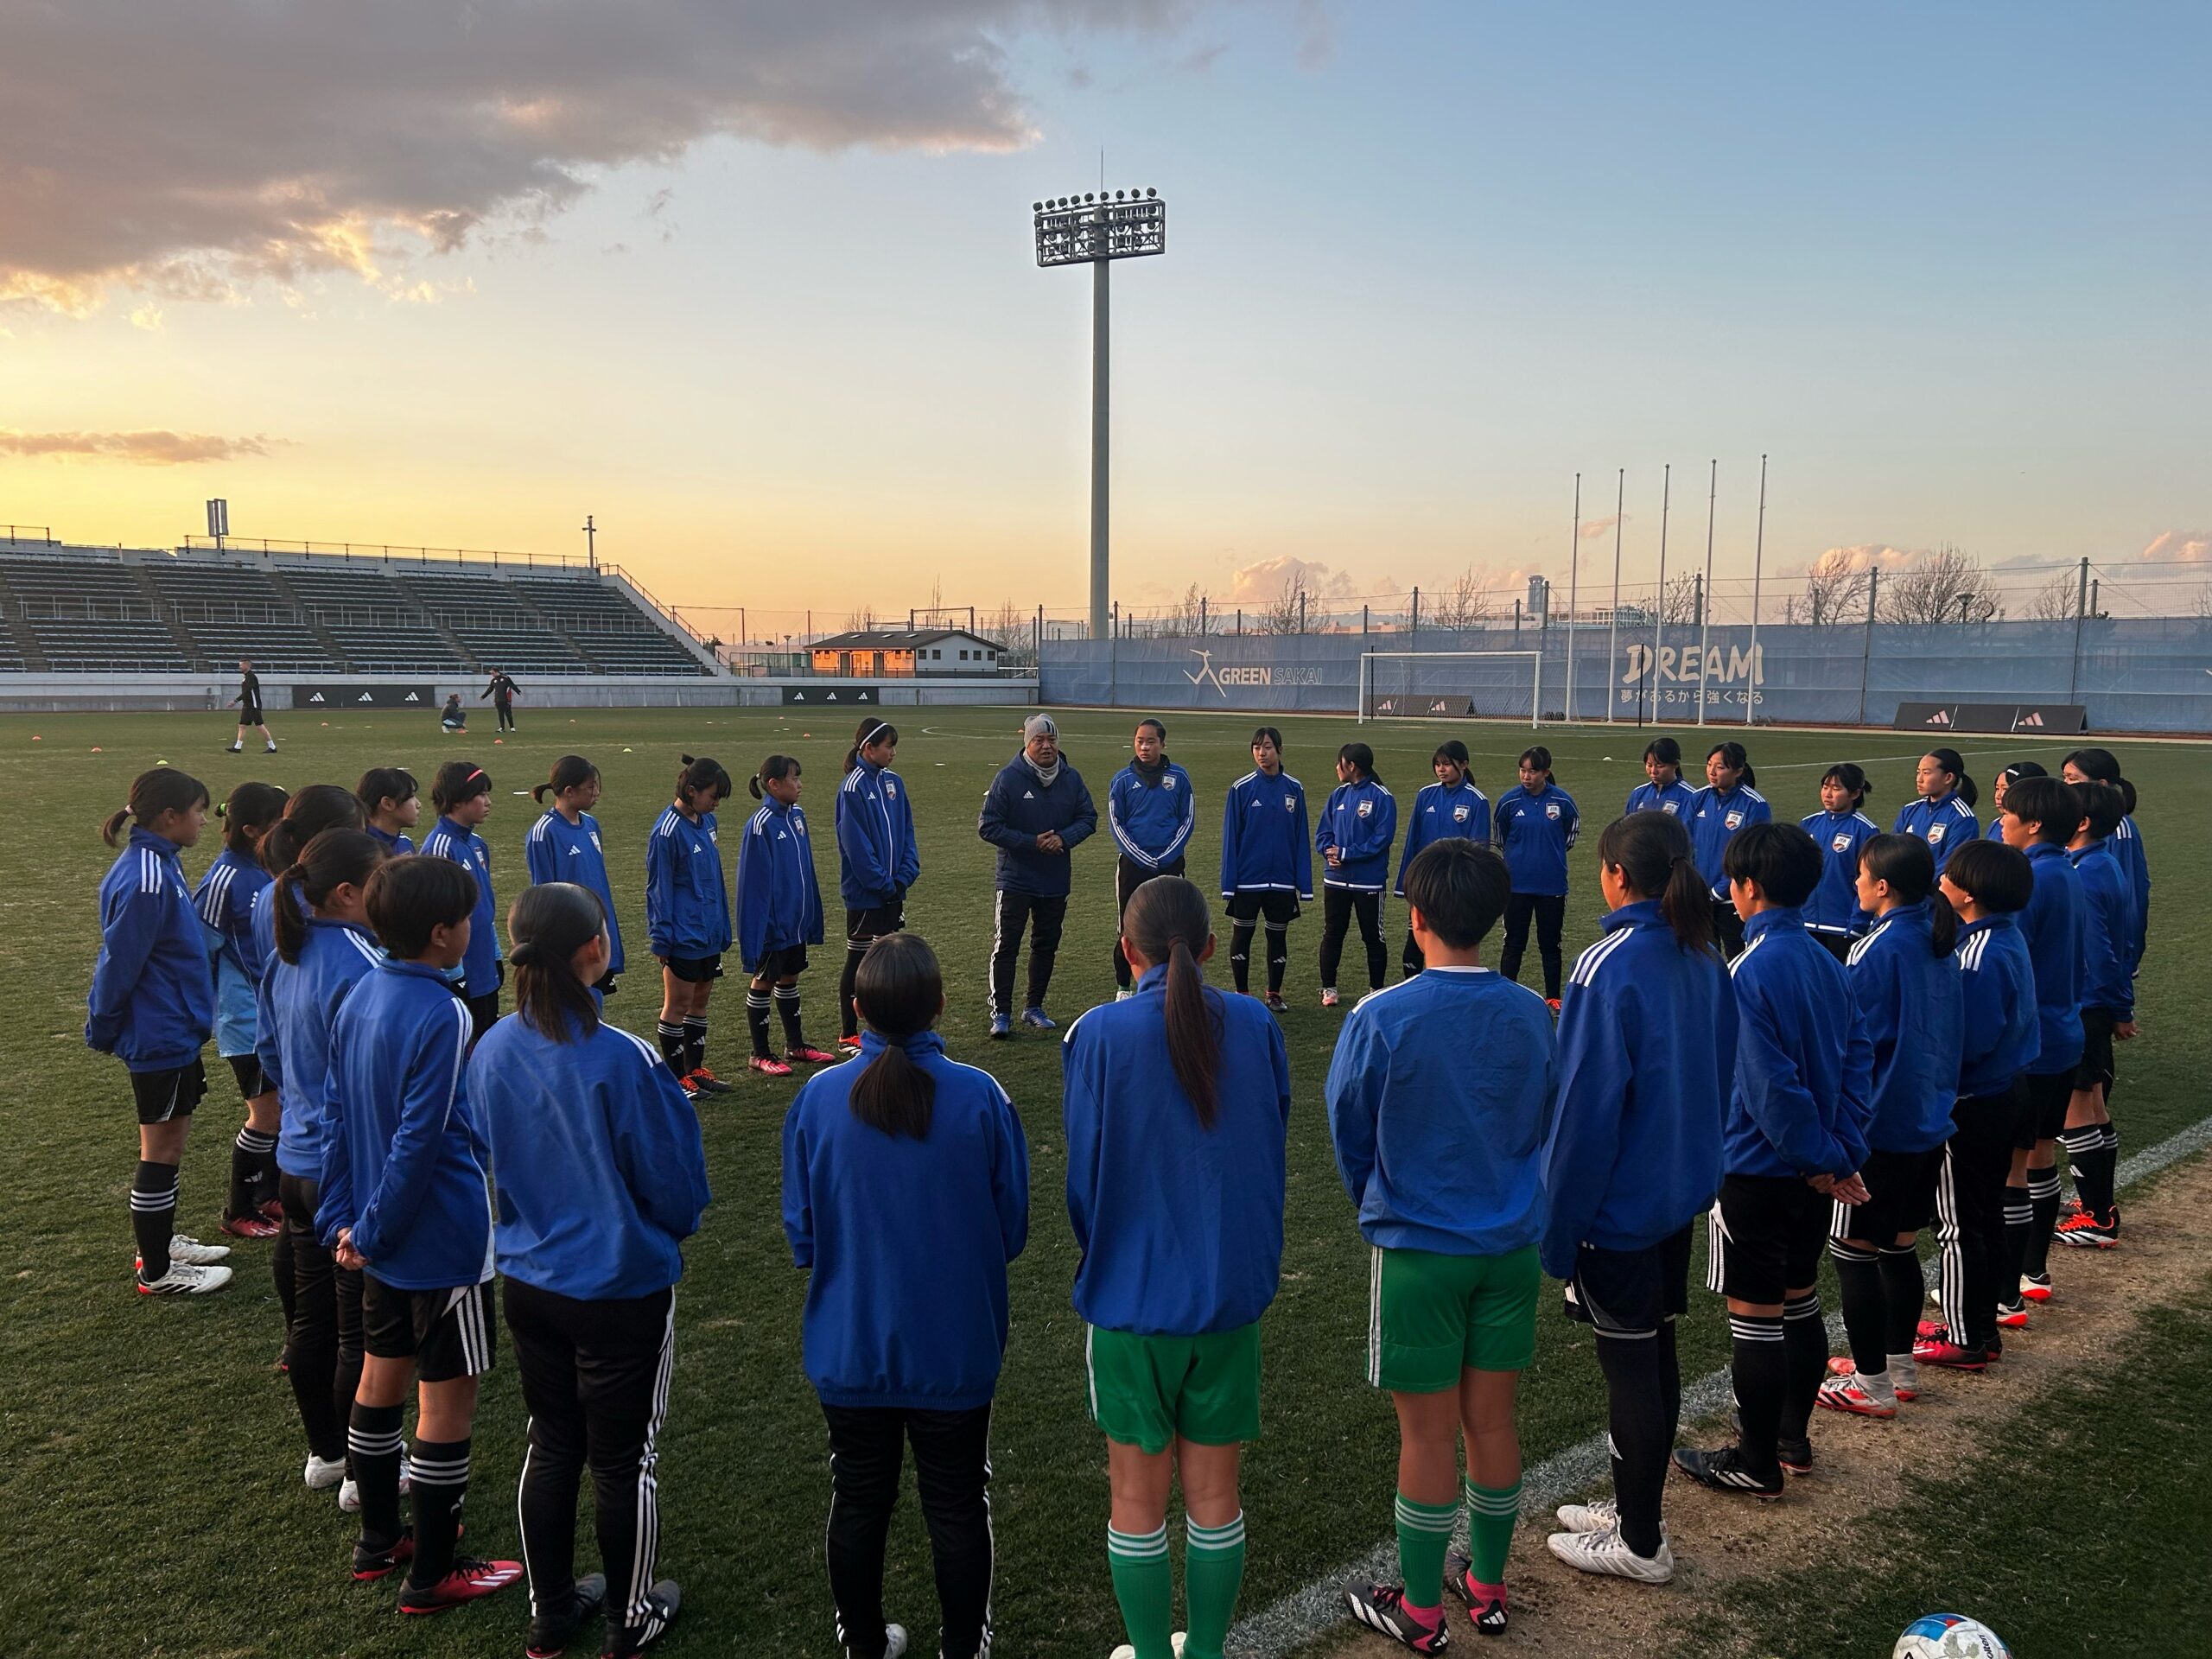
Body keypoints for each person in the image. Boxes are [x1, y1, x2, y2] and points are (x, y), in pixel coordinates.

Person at [472, 881, 709, 1659]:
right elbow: (676, 1188)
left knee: (551, 1441)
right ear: (595, 952)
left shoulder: (494, 1045)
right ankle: (629, 1617)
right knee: (622, 1456)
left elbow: (485, 1148)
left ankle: (551, 1610)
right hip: (619, 1288)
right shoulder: (625, 1057)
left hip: (530, 1283)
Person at [1329, 840, 1555, 1645]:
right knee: (1491, 1424)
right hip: (1510, 1247)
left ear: (1416, 918)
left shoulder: (1381, 1015)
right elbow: (1544, 1122)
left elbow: (1349, 1132)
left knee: (1426, 1435)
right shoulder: (1533, 1011)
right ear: (1494, 921)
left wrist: (1381, 1204)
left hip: (1422, 1252)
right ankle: (1486, 1584)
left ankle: (1422, 1609)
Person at [1063, 876, 1292, 1659]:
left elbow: (1084, 1180)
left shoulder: (1097, 1034)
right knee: (1214, 1496)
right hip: (1227, 1294)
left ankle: (1156, 1654)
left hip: (1132, 1299)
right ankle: (1207, 1652)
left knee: (1136, 1498)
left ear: (1127, 951)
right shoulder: (1258, 1024)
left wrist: (1113, 1251)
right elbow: (1269, 1143)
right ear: (1208, 948)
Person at [783, 934, 1029, 1659]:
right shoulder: (980, 1095)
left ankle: (861, 1641)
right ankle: (963, 1647)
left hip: (851, 1342)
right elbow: (1010, 1227)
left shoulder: (818, 1098)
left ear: (856, 1009)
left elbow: (802, 1234)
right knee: (955, 1502)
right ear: (940, 1005)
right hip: (953, 1346)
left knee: (859, 1499)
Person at [1539, 810, 1735, 1585]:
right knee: (1654, 1350)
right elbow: (1720, 1080)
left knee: (1630, 1366)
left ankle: (1643, 1542)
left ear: (1618, 875)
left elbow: (1584, 1113)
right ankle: (1635, 1509)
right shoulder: (1705, 955)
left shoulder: (1603, 964)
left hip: (1619, 1209)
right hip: (1675, 1194)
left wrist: (1560, 1234)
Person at [322, 855, 523, 1610]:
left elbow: (337, 1117)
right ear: (442, 935)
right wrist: (371, 1227)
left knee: (381, 1382)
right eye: (467, 919)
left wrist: (346, 1219)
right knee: (445, 1409)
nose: (473, 931)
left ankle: (379, 1540)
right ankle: (434, 1572)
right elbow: (420, 1139)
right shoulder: (445, 1012)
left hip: (378, 1235)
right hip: (439, 1238)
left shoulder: (359, 993)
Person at [1674, 823, 1871, 1497]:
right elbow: (1858, 1064)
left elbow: (1767, 1087)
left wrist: (1820, 1154)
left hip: (1758, 1169)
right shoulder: (1829, 962)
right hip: (1815, 1172)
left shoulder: (1748, 970)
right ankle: (1791, 1437)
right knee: (1800, 1301)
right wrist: (1841, 1153)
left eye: (1732, 880)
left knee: (1756, 1317)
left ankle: (1755, 1460)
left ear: (1749, 888)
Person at [1815, 835, 1963, 1422]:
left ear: (1882, 886)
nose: (1853, 883)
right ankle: (1897, 1369)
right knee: (1899, 1248)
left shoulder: (1877, 950)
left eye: (1860, 874)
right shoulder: (1939, 938)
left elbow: (1856, 1046)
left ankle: (1872, 1382)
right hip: (1928, 1120)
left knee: (1854, 1252)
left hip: (1879, 1128)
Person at [268, 828, 389, 1499]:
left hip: (296, 1162)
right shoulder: (362, 964)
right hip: (345, 1172)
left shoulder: (288, 952)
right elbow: (373, 1084)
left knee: (312, 1321)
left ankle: (326, 1457)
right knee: (359, 1332)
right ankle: (365, 1477)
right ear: (347, 893)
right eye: (381, 878)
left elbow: (269, 1049)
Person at [87, 766, 230, 1295]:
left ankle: (160, 1243)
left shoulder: (159, 864)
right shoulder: (146, 876)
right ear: (169, 817)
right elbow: (119, 963)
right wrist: (102, 1024)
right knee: (162, 1148)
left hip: (172, 1026)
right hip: (159, 1033)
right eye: (196, 811)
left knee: (168, 1143)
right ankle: (158, 1270)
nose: (200, 820)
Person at [1912, 838, 2038, 1372]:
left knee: (1960, 1221)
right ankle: (1978, 1324)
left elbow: (1971, 1040)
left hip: (1974, 1101)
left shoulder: (1977, 955)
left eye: (1950, 876)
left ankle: (1966, 1336)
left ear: (1970, 894)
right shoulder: (2001, 938)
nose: (1941, 881)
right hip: (2001, 1093)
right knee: (1982, 1214)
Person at [1994, 776, 2084, 1321]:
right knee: (2042, 1153)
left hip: (2032, 1042)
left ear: (2032, 825)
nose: (2000, 821)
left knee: (2011, 1168)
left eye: (2007, 814)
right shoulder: (2068, 869)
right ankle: (2034, 1271)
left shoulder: (2031, 877)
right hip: (2064, 1032)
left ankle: (2003, 1293)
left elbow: (2010, 956)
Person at [194, 779, 289, 1239]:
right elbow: (200, 952)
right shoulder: (224, 878)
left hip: (276, 1013)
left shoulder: (266, 869)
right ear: (252, 829)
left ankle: (267, 1194)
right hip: (247, 1022)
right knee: (265, 1115)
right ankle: (238, 1209)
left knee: (283, 1109)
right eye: (279, 823)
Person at [2053, 781, 2137, 1249]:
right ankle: (2098, 1207)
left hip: (2084, 1003)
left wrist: (2115, 1005)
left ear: (2081, 823)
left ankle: (2098, 1218)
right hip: (2097, 1002)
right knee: (2095, 1107)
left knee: (2077, 1108)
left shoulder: (2084, 873)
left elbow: (2100, 953)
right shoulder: (2101, 862)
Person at [977, 714, 1096, 1038]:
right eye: (1039, 740)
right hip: (1015, 878)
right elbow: (987, 826)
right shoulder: (1008, 779)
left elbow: (1089, 817)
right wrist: (1031, 843)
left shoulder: (1071, 778)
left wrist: (1063, 838)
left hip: (1055, 879)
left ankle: (1034, 1007)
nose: (1046, 746)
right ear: (1027, 743)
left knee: (1046, 944)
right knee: (1007, 945)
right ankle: (1001, 1013)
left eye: (1051, 740)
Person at [734, 755, 834, 1077]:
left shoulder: (798, 816)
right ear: (773, 785)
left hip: (796, 921)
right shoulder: (761, 824)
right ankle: (759, 1053)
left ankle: (796, 1045)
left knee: (790, 978)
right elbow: (753, 882)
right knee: (764, 981)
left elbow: (804, 870)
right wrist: (762, 924)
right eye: (793, 779)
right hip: (774, 924)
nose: (800, 784)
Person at [647, 755, 736, 1099]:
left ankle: (694, 1069)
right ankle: (674, 1078)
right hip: (682, 935)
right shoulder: (667, 831)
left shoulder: (708, 822)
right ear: (691, 790)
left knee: (700, 1004)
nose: (716, 803)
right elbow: (659, 888)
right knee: (678, 1005)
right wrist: (662, 938)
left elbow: (714, 879)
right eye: (713, 796)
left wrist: (722, 927)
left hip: (708, 932)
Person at [835, 719, 920, 1054]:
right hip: (866, 895)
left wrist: (904, 876)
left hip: (893, 891)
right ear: (868, 748)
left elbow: (908, 833)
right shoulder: (852, 788)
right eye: (888, 746)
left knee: (886, 962)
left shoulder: (894, 784)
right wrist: (880, 883)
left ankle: (882, 1027)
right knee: (859, 962)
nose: (893, 752)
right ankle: (848, 1033)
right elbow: (855, 846)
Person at [1219, 727, 1312, 1011]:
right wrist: (1229, 882)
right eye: (1257, 747)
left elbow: (1301, 838)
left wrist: (1303, 885)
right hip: (1248, 881)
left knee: (1277, 936)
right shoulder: (1241, 788)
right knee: (1242, 935)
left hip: (1282, 882)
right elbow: (1230, 838)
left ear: (1280, 751)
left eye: (1268, 747)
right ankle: (1243, 995)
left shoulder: (1294, 789)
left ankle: (1273, 994)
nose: (1262, 753)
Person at [1108, 718, 1198, 998]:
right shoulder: (1122, 780)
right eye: (1140, 741)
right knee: (1129, 928)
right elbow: (1116, 823)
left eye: (1150, 741)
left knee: (1172, 928)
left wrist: (1168, 855)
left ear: (1162, 743)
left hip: (1170, 865)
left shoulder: (1179, 778)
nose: (1144, 746)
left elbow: (1188, 819)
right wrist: (1142, 857)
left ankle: (1170, 984)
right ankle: (1124, 988)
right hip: (1133, 867)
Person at [527, 755, 624, 994]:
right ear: (569, 791)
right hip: (570, 941)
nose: (596, 793)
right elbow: (544, 897)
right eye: (590, 788)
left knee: (596, 1006)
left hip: (596, 931)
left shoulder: (591, 825)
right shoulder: (544, 833)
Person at [1491, 746, 1580, 1007]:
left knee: (1550, 943)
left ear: (1546, 772)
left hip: (1551, 885)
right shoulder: (1509, 802)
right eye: (1523, 770)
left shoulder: (1563, 802)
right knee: (1514, 942)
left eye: (1532, 771)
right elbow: (1501, 836)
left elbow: (1570, 835)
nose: (1526, 776)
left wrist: (1548, 854)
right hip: (1516, 885)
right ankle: (1507, 993)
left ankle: (1553, 996)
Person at [1394, 741, 1491, 978]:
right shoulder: (1425, 795)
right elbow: (1412, 841)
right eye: (1437, 764)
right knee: (1413, 947)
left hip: (1455, 888)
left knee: (1450, 945)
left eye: (1447, 764)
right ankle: (1414, 988)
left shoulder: (1477, 801)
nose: (1441, 769)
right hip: (1425, 884)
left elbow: (1480, 849)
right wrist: (1405, 883)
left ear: (1464, 764)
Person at [420, 762, 502, 1043]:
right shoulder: (440, 847)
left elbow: (484, 907)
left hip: (484, 966)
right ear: (457, 799)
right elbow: (436, 915)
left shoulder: (477, 844)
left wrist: (495, 952)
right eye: (481, 795)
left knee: (487, 1042)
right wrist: (454, 972)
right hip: (462, 971)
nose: (488, 802)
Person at [1315, 742, 1397, 1009]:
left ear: (1352, 766)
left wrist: (1347, 852)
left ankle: (1376, 989)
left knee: (1373, 936)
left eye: (1339, 763)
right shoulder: (1337, 796)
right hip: (1335, 880)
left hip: (1369, 881)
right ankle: (1328, 988)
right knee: (1332, 934)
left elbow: (1382, 840)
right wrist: (1327, 852)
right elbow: (1323, 834)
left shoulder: (1382, 797)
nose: (1336, 768)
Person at [2062, 748, 2148, 976]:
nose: (2066, 785)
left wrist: (2129, 957)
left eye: (2073, 779)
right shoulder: (2069, 823)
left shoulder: (2118, 828)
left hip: (2105, 958)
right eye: (2065, 777)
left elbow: (2131, 896)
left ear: (2100, 784)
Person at [1687, 741, 1770, 958]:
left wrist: (1720, 890)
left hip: (1735, 898)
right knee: (1702, 955)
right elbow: (1684, 841)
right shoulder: (1698, 798)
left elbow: (1752, 855)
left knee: (1737, 955)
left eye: (1721, 767)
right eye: (1709, 765)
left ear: (1739, 771)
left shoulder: (1754, 805)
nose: (1712, 772)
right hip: (1700, 895)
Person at [1801, 764, 1878, 962]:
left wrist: (1857, 924)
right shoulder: (1808, 824)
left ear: (1855, 793)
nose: (1828, 793)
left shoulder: (1865, 831)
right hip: (1805, 924)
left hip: (1842, 927)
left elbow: (1868, 881)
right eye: (1825, 787)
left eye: (1836, 789)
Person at [1893, 748, 1980, 873]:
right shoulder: (1909, 810)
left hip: (1934, 890)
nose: (1919, 779)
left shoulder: (1962, 819)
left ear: (1948, 778)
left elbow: (1951, 864)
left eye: (1926, 773)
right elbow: (1892, 851)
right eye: (1918, 772)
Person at [1624, 737, 1694, 818]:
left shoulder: (1690, 796)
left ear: (1676, 764)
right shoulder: (1638, 793)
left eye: (1660, 766)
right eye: (1649, 765)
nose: (1653, 771)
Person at [358, 766, 422, 855]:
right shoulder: (362, 851)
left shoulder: (405, 842)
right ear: (387, 804)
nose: (418, 804)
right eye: (411, 797)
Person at [1985, 761, 2045, 841]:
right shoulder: (1996, 825)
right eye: (1997, 789)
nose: (1998, 796)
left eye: (2005, 789)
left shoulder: (2044, 830)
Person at [229, 658, 276, 753]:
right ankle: (237, 747)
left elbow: (248, 691)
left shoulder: (251, 677)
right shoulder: (246, 677)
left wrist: (236, 700)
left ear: (247, 665)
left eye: (241, 665)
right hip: (248, 705)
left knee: (259, 726)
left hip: (253, 706)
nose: (240, 667)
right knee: (243, 725)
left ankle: (272, 747)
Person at [481, 668, 521, 732]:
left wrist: (518, 691)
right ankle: (502, 728)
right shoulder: (493, 681)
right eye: (491, 673)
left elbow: (512, 685)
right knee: (500, 714)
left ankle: (512, 727)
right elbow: (490, 689)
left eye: (493, 673)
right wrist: (483, 696)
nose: (492, 675)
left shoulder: (505, 678)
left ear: (497, 672)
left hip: (506, 699)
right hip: (498, 700)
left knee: (508, 714)